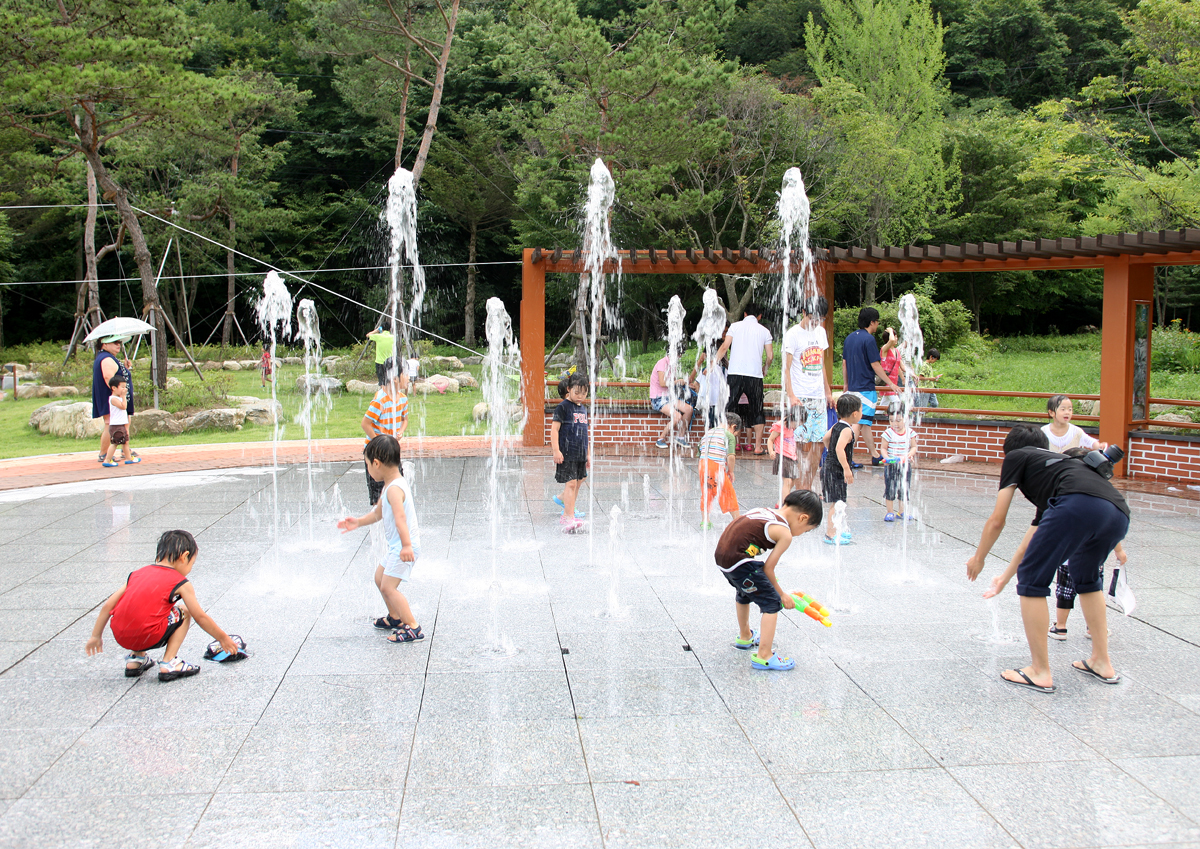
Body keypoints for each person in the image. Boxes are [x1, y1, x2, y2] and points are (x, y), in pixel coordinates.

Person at [966, 425, 1129, 693]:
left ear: (1010, 451)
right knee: (1086, 576)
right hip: (1118, 511)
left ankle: (1040, 670)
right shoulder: (1059, 470)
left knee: (1032, 580)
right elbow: (1030, 542)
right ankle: (1102, 661)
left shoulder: (1017, 457)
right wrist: (1004, 579)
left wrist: (979, 558)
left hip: (1077, 505)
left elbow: (997, 520)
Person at [85, 530, 238, 681]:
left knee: (143, 610)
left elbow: (107, 606)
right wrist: (222, 638)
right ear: (185, 557)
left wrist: (95, 636)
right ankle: (169, 662)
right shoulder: (180, 582)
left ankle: (136, 659)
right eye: (192, 563)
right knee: (184, 612)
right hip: (148, 635)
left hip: (121, 635)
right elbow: (200, 616)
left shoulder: (137, 574)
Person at [715, 489, 822, 671]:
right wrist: (782, 595)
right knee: (771, 603)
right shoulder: (785, 533)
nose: (801, 534)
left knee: (744, 592)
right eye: (805, 531)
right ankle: (764, 655)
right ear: (803, 518)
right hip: (740, 561)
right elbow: (768, 568)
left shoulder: (765, 511)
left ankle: (745, 636)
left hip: (723, 558)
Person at [338, 434, 424, 642]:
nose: (368, 470)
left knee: (388, 586)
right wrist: (357, 522)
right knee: (379, 577)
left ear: (376, 463)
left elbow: (400, 519)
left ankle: (413, 627)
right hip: (398, 546)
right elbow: (378, 513)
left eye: (367, 465)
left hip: (404, 546)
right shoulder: (391, 484)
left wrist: (405, 546)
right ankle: (395, 617)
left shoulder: (394, 489)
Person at [782, 296, 834, 492]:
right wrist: (791, 396)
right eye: (812, 319)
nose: (815, 323)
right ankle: (797, 488)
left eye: (819, 320)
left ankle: (807, 487)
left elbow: (821, 366)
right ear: (803, 313)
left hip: (818, 396)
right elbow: (786, 368)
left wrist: (828, 392)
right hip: (800, 397)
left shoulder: (821, 333)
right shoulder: (793, 334)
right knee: (798, 445)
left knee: (818, 444)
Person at [841, 308, 900, 468]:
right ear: (872, 322)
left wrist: (846, 385)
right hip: (866, 389)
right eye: (877, 321)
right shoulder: (869, 340)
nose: (878, 324)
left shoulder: (850, 338)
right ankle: (846, 457)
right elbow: (876, 365)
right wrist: (891, 383)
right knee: (857, 424)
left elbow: (845, 363)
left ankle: (875, 455)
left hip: (853, 388)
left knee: (865, 423)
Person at [715, 303, 773, 455]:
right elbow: (770, 356)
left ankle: (727, 445)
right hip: (754, 376)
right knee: (757, 410)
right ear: (759, 316)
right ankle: (758, 447)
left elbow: (724, 347)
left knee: (730, 407)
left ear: (745, 314)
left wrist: (712, 363)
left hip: (735, 374)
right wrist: (765, 369)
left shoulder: (734, 326)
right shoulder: (765, 331)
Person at [361, 371, 409, 505]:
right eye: (405, 374)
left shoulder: (403, 398)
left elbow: (404, 419)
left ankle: (397, 521)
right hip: (375, 452)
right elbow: (365, 423)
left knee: (398, 488)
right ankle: (380, 523)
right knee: (378, 495)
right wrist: (379, 443)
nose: (409, 378)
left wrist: (401, 431)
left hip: (391, 451)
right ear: (394, 378)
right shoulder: (380, 400)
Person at [821, 392, 861, 545]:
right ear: (855, 413)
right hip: (836, 470)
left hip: (829, 467)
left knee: (838, 501)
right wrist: (846, 468)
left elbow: (826, 438)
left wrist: (829, 453)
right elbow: (839, 449)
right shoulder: (847, 430)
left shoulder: (837, 425)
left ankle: (838, 529)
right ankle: (830, 535)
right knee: (836, 502)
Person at [552, 372, 589, 533]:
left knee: (580, 480)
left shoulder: (583, 408)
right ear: (569, 389)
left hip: (580, 452)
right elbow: (554, 429)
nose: (580, 396)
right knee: (571, 483)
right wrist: (556, 450)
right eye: (577, 392)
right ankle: (568, 517)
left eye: (584, 393)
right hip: (567, 452)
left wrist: (587, 454)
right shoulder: (563, 407)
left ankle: (568, 510)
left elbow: (585, 431)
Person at [91, 334, 136, 464]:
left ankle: (124, 449)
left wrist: (125, 369)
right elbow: (109, 378)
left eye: (119, 342)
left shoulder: (108, 357)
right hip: (113, 399)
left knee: (124, 422)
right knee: (110, 423)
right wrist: (119, 397)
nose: (118, 345)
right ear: (104, 344)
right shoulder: (106, 359)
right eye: (114, 342)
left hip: (116, 398)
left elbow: (117, 376)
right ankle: (104, 453)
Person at [699, 412, 742, 530]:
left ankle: (705, 521)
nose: (734, 434)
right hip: (716, 466)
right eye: (735, 433)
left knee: (707, 492)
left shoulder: (708, 433)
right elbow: (731, 456)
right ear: (733, 427)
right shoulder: (728, 435)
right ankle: (738, 521)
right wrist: (731, 471)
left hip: (702, 465)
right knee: (728, 492)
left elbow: (700, 452)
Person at [649, 346, 697, 449]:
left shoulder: (672, 365)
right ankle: (660, 439)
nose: (680, 357)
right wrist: (677, 381)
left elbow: (673, 384)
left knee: (689, 409)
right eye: (679, 355)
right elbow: (662, 383)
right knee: (677, 416)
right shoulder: (662, 363)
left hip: (669, 397)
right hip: (658, 398)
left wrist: (686, 385)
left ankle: (680, 437)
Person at [880, 402, 918, 522]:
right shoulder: (888, 433)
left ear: (905, 418)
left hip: (905, 466)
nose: (895, 424)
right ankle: (890, 511)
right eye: (891, 421)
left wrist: (910, 454)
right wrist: (886, 458)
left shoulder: (910, 433)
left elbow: (913, 447)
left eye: (898, 420)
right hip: (891, 466)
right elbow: (883, 448)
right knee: (890, 488)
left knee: (904, 489)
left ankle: (902, 511)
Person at [767, 411, 799, 508]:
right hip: (782, 455)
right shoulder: (780, 426)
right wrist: (771, 451)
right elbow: (770, 439)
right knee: (787, 481)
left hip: (792, 456)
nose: (798, 425)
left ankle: (780, 500)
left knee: (793, 480)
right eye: (798, 423)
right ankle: (785, 504)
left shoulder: (792, 427)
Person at [101, 375, 135, 467]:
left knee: (125, 442)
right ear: (114, 388)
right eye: (122, 387)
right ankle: (107, 460)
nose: (124, 389)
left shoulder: (119, 398)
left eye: (125, 387)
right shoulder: (113, 399)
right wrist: (124, 397)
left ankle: (128, 458)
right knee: (115, 443)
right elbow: (123, 406)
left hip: (121, 424)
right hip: (116, 425)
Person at [695, 350, 728, 429]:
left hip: (708, 403)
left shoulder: (704, 370)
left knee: (709, 426)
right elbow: (727, 385)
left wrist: (701, 395)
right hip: (720, 403)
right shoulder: (723, 370)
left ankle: (709, 441)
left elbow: (696, 384)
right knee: (720, 426)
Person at [877, 326, 901, 413]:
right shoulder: (884, 349)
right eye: (895, 336)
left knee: (883, 406)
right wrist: (890, 330)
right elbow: (890, 341)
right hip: (886, 381)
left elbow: (900, 367)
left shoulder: (896, 351)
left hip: (894, 382)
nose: (896, 338)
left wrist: (912, 375)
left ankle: (876, 419)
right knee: (897, 403)